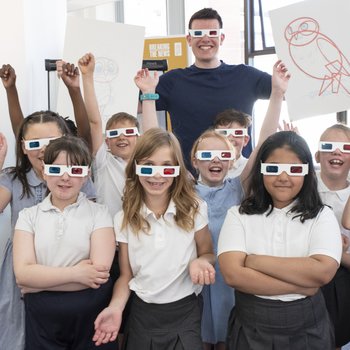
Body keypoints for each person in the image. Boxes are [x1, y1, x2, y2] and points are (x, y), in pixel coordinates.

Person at [190, 60, 289, 350]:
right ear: (194, 160)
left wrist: (277, 93)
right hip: (195, 280)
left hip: (231, 281)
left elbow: (264, 141)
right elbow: (156, 143)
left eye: (223, 154)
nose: (216, 159)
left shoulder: (237, 188)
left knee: (228, 340)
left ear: (233, 159)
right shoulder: (183, 190)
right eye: (207, 154)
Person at [93, 128, 216, 349]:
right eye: (148, 165)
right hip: (143, 314)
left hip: (186, 311)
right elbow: (126, 276)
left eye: (166, 167)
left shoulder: (195, 208)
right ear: (136, 167)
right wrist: (115, 307)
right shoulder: (124, 218)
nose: (157, 175)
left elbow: (208, 252)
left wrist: (201, 261)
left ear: (177, 170)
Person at [218, 130, 342, 349]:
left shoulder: (322, 216)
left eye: (294, 169)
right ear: (261, 170)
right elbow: (233, 275)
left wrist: (254, 261)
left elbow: (322, 271)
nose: (283, 177)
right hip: (251, 325)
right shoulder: (238, 215)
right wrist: (303, 286)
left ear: (307, 172)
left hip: (308, 327)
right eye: (273, 169)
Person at [0, 112, 95, 350]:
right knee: (18, 335)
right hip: (22, 268)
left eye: (50, 142)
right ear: (22, 147)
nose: (43, 151)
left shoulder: (79, 178)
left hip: (70, 264)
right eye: (34, 144)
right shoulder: (13, 178)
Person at [13, 135, 117, 349]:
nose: (65, 177)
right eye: (56, 169)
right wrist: (77, 274)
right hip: (41, 319)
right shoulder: (28, 216)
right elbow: (23, 274)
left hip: (92, 317)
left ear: (86, 175)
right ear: (44, 171)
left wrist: (36, 284)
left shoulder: (100, 213)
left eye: (75, 170)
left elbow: (98, 274)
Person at [140, 8, 272, 170]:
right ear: (189, 39)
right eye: (198, 33)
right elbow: (132, 106)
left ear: (221, 38)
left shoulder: (246, 76)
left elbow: (286, 90)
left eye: (212, 33)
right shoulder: (173, 81)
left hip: (239, 181)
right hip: (188, 183)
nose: (205, 38)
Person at [78, 52, 140, 217]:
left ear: (139, 138)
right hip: (107, 231)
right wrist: (87, 76)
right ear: (107, 142)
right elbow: (94, 122)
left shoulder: (145, 164)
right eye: (115, 134)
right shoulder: (104, 161)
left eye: (128, 132)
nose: (122, 137)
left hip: (136, 231)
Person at [315, 123, 350, 349]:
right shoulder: (303, 188)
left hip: (343, 281)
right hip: (308, 277)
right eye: (329, 146)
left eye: (345, 147)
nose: (336, 151)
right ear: (317, 155)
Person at [213, 109, 251, 178]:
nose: (230, 138)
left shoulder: (251, 167)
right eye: (223, 133)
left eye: (237, 133)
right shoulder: (207, 166)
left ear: (245, 140)